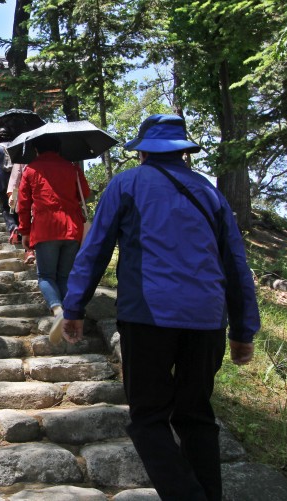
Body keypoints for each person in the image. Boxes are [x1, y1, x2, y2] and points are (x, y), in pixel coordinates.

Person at [56, 114, 260, 501]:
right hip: (206, 319)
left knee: (149, 418)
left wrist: (74, 307)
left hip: (147, 316)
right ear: (183, 151)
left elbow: (95, 250)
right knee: (197, 417)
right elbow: (235, 263)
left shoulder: (127, 184)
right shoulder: (209, 192)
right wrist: (243, 330)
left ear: (144, 150)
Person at [18, 142, 90, 318]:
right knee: (65, 276)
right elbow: (85, 193)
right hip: (72, 227)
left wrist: (25, 231)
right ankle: (71, 316)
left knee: (46, 276)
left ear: (36, 149)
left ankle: (57, 309)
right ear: (59, 149)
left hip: (45, 228)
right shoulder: (72, 168)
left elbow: (23, 204)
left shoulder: (31, 169)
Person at [0, 128, 19, 243]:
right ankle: (19, 231)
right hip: (16, 181)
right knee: (16, 205)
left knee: (6, 207)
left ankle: (12, 227)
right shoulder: (16, 145)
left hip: (3, 181)